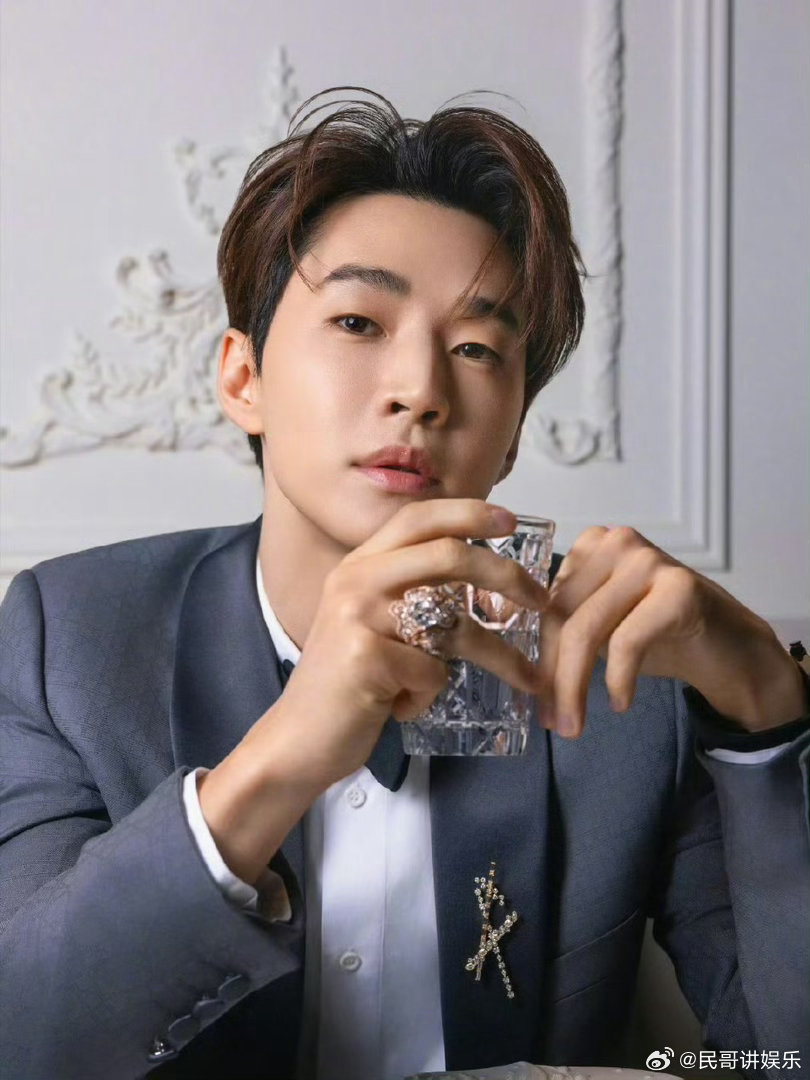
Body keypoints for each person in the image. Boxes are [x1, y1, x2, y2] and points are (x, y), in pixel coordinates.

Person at [0, 88, 807, 1080]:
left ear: (511, 434)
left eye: (476, 348)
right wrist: (280, 759)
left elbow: (781, 1057)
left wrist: (768, 719)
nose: (421, 389)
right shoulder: (68, 639)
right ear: (244, 379)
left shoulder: (625, 677)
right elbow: (21, 1043)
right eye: (357, 320)